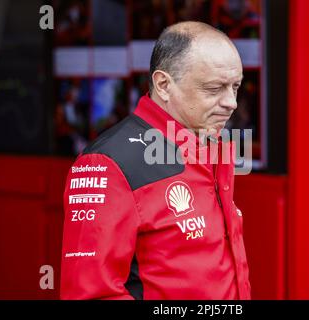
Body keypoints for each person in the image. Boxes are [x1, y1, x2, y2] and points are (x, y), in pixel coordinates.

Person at [61, 21, 251, 300]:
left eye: (235, 86)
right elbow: (91, 294)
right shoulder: (106, 163)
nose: (231, 102)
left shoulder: (209, 144)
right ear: (163, 84)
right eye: (214, 88)